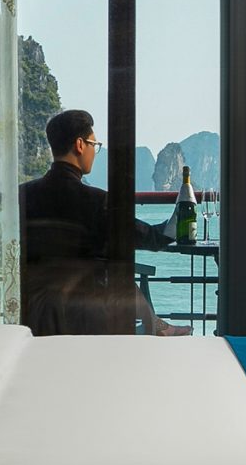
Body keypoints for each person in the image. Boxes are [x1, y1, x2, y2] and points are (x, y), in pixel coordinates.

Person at [19, 110, 176, 335]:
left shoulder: (23, 195)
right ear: (80, 145)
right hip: (90, 318)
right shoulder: (96, 201)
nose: (94, 151)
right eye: (94, 144)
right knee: (119, 274)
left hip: (35, 315)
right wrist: (179, 223)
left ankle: (159, 325)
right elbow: (149, 238)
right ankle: (159, 327)